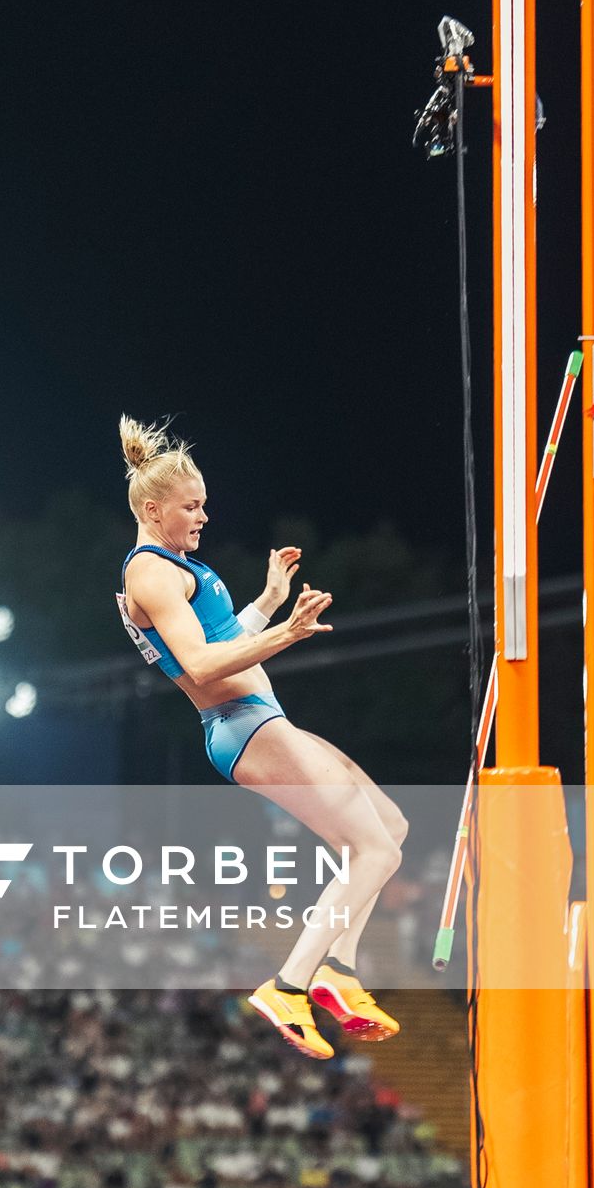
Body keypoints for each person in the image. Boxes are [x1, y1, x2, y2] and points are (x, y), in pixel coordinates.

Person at [116, 416, 407, 1059]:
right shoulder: (152, 575)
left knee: (389, 828)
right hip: (243, 727)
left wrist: (270, 603)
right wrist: (289, 636)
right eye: (192, 507)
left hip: (258, 721)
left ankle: (340, 971)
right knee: (374, 850)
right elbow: (199, 665)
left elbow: (223, 639)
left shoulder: (176, 567)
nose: (202, 517)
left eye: (204, 506)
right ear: (153, 508)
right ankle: (291, 984)